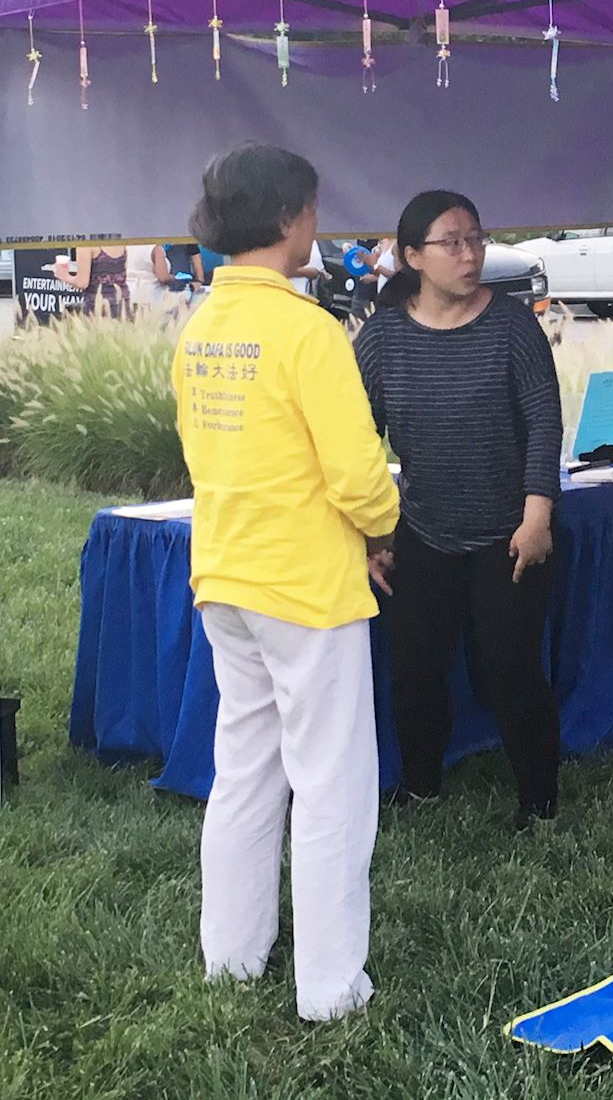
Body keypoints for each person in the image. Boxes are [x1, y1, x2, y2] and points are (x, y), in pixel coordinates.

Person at [172, 142, 399, 1022]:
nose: (316, 223)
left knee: (244, 771)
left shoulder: (199, 325)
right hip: (306, 586)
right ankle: (331, 989)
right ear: (285, 218)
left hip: (225, 574)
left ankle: (231, 958)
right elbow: (357, 474)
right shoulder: (307, 330)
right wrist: (381, 527)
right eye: (310, 208)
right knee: (332, 784)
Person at [353, 191, 563, 830]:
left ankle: (539, 802)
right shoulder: (383, 336)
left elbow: (544, 420)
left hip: (509, 532)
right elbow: (357, 438)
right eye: (452, 243)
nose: (470, 255)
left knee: (510, 667)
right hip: (421, 532)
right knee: (415, 670)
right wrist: (371, 536)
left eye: (476, 239)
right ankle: (421, 787)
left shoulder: (511, 324)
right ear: (412, 256)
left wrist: (537, 516)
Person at [52, 244, 131, 317]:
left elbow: (82, 283)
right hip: (122, 303)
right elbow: (121, 274)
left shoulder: (85, 245)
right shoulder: (120, 241)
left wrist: (64, 275)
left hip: (97, 306)